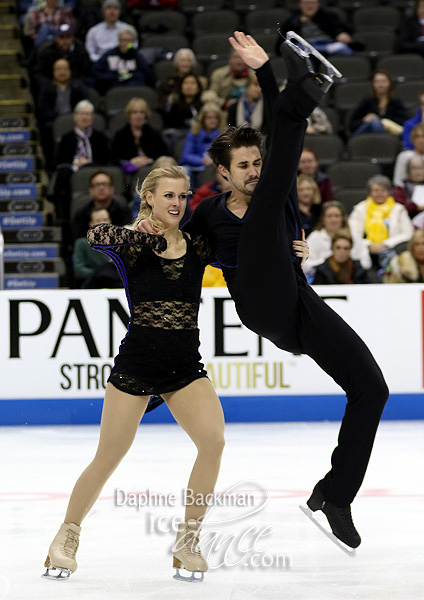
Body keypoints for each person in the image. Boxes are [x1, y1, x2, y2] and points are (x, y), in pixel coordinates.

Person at [140, 31, 389, 550]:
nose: (253, 172)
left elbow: (281, 178)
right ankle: (301, 87)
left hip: (294, 302)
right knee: (277, 183)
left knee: (372, 387)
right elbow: (184, 277)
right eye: (244, 167)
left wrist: (295, 252)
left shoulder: (276, 198)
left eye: (257, 163)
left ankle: (335, 494)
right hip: (257, 301)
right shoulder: (207, 212)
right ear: (222, 174)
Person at [42, 165, 224, 582]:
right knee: (109, 455)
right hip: (137, 364)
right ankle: (65, 537)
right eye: (168, 196)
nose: (177, 204)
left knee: (213, 440)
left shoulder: (197, 245)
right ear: (149, 199)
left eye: (183, 196)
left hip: (184, 367)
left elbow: (243, 251)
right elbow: (95, 236)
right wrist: (140, 234)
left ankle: (188, 539)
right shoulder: (131, 244)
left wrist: (290, 251)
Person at [52, 100, 110, 221]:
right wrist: (75, 162)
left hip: (95, 169)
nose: (85, 117)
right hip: (72, 171)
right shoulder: (66, 138)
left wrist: (89, 162)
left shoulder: (101, 137)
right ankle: (63, 217)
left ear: (92, 118)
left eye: (88, 114)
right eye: (82, 114)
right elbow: (59, 161)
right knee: (62, 174)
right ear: (75, 117)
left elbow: (106, 159)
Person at [348, 174, 413, 270]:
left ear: (389, 192)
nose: (379, 194)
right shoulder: (360, 209)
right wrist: (369, 244)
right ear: (370, 193)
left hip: (392, 249)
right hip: (365, 249)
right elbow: (352, 232)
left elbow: (408, 233)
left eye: (383, 190)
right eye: (376, 191)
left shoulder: (399, 209)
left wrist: (386, 244)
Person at [304, 201, 371, 281]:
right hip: (323, 279)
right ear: (323, 219)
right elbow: (305, 265)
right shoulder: (315, 237)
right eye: (329, 216)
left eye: (337, 216)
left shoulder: (354, 236)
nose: (333, 220)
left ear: (343, 218)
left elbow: (366, 262)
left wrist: (348, 262)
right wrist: (328, 263)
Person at [111, 97, 169, 174]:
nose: (138, 116)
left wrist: (150, 160)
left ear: (146, 115)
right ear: (129, 115)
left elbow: (164, 155)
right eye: (134, 112)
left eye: (142, 112)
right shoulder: (120, 135)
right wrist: (130, 161)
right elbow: (114, 158)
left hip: (152, 170)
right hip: (127, 173)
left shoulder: (155, 134)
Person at [277, 0, 355, 57]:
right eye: (306, 3)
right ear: (300, 5)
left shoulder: (328, 16)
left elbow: (339, 28)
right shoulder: (292, 20)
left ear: (318, 4)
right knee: (297, 49)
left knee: (344, 49)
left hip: (327, 43)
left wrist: (341, 34)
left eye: (312, 3)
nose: (310, 6)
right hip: (305, 46)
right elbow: (284, 39)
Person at [92, 24, 153, 95]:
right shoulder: (110, 55)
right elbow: (96, 72)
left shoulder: (138, 57)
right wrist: (114, 76)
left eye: (129, 40)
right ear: (119, 41)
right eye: (123, 40)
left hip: (134, 91)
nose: (126, 43)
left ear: (133, 42)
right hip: (112, 90)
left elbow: (148, 76)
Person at [72, 170, 132, 239]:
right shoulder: (82, 214)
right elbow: (79, 241)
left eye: (105, 184)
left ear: (112, 189)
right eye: (97, 185)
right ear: (91, 190)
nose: (101, 188)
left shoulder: (122, 211)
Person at [179, 103, 225, 190]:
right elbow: (186, 155)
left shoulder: (223, 135)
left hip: (214, 168)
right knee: (184, 171)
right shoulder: (194, 132)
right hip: (194, 166)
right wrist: (202, 161)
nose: (212, 120)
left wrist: (213, 161)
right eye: (209, 118)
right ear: (203, 119)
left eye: (215, 118)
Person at [32, 23, 92, 91]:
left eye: (68, 37)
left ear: (73, 38)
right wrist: (50, 85)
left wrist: (75, 84)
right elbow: (39, 72)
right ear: (56, 38)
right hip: (52, 85)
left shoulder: (80, 49)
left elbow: (86, 70)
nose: (65, 41)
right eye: (62, 37)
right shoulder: (47, 51)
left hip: (75, 84)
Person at [350, 71, 408, 136]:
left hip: (390, 135)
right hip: (366, 135)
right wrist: (364, 120)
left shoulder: (396, 102)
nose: (380, 85)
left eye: (383, 81)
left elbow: (404, 122)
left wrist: (382, 120)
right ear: (373, 84)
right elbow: (352, 125)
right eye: (377, 82)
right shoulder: (366, 102)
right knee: (374, 121)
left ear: (389, 83)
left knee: (377, 121)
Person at [72, 207, 114, 286]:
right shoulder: (81, 244)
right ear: (91, 224)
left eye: (105, 220)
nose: (102, 223)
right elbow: (79, 270)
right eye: (98, 221)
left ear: (110, 222)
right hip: (92, 286)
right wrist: (101, 274)